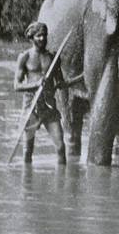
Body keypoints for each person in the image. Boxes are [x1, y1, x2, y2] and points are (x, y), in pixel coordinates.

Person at [14, 22, 76, 164]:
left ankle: (61, 183)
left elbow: (60, 83)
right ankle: (27, 184)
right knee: (27, 151)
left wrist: (79, 79)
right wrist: (35, 84)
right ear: (31, 37)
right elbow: (16, 86)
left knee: (61, 147)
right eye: (38, 35)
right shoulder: (24, 57)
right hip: (31, 108)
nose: (42, 38)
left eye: (44, 35)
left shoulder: (53, 58)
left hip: (49, 108)